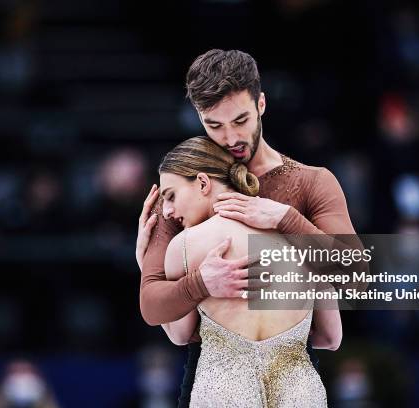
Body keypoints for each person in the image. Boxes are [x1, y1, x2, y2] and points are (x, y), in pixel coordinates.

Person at [137, 49, 360, 406]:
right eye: (214, 125)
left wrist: (285, 219)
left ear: (261, 104)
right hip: (212, 377)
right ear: (198, 117)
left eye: (239, 120)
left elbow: (355, 272)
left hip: (293, 372)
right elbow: (152, 304)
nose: (229, 138)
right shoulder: (183, 188)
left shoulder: (311, 182)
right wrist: (197, 282)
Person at [159, 136, 339, 406]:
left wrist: (147, 268)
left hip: (224, 391)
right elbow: (331, 337)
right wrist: (286, 339)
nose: (167, 211)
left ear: (203, 183)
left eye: (170, 196)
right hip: (300, 391)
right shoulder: (305, 238)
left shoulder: (184, 246)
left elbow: (180, 334)